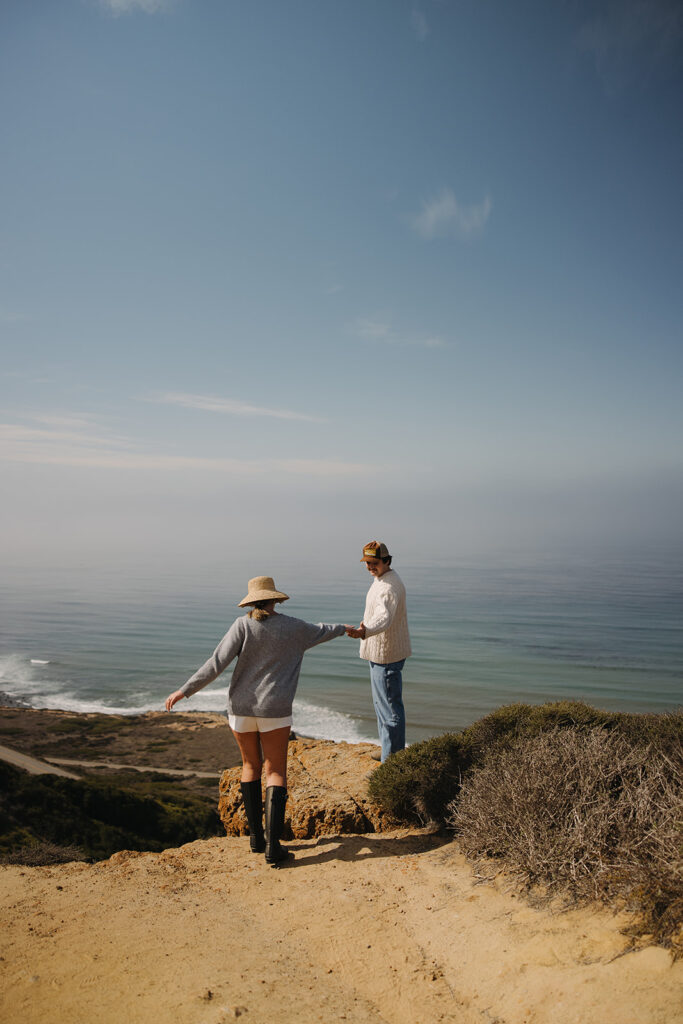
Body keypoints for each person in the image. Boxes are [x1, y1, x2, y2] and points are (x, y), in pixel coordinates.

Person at [165, 576, 351, 867]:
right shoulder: (294, 628)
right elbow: (324, 630)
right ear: (275, 599)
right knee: (275, 770)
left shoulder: (242, 625)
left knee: (250, 766)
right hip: (275, 710)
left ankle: (256, 838)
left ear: (251, 601)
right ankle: (273, 848)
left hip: (240, 709)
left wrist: (184, 690)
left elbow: (216, 663)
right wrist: (348, 629)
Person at [346, 541, 411, 762]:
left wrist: (365, 631)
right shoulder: (381, 580)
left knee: (390, 709)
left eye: (374, 563)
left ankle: (392, 760)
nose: (369, 567)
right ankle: (388, 750)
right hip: (382, 653)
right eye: (367, 563)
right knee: (383, 706)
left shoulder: (388, 586)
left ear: (387, 561)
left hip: (387, 655)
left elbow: (384, 618)